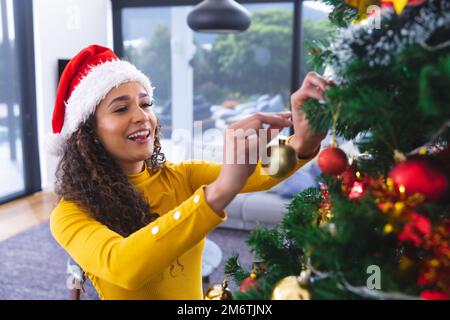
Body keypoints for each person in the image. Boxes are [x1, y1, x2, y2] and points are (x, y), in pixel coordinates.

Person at [49, 45, 329, 300]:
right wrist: (217, 193)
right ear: (89, 134)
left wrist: (304, 141)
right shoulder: (70, 214)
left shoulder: (181, 176)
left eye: (145, 104)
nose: (142, 116)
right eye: (121, 108)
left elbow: (259, 172)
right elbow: (122, 265)